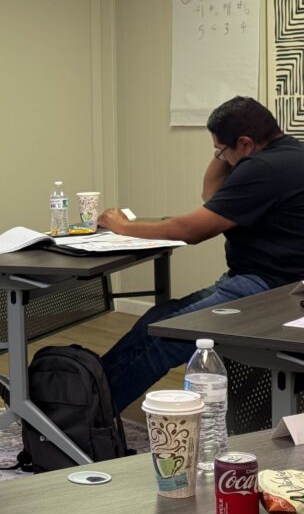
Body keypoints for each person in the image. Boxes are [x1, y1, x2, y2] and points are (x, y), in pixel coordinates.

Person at [98, 96, 304, 411]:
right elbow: (213, 196)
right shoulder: (288, 153)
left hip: (267, 290)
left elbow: (191, 230)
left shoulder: (264, 168)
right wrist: (228, 152)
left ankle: (86, 415)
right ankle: (83, 397)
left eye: (220, 150)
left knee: (163, 338)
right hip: (274, 284)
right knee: (157, 319)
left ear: (246, 143)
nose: (219, 158)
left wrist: (123, 226)